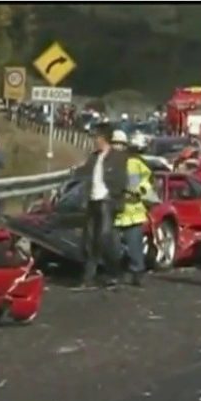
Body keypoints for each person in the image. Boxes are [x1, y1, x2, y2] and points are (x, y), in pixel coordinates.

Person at [75, 123, 128, 290]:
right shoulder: (94, 157)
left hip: (107, 202)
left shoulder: (118, 157)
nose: (94, 140)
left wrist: (111, 194)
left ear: (104, 139)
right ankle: (88, 278)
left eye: (97, 137)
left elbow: (121, 181)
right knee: (90, 240)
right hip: (93, 201)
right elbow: (82, 174)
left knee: (105, 239)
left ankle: (114, 274)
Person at [115, 132, 155, 286]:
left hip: (132, 210)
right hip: (117, 211)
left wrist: (138, 191)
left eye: (119, 144)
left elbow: (145, 182)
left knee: (134, 247)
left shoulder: (135, 163)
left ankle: (136, 273)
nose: (117, 147)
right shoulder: (110, 161)